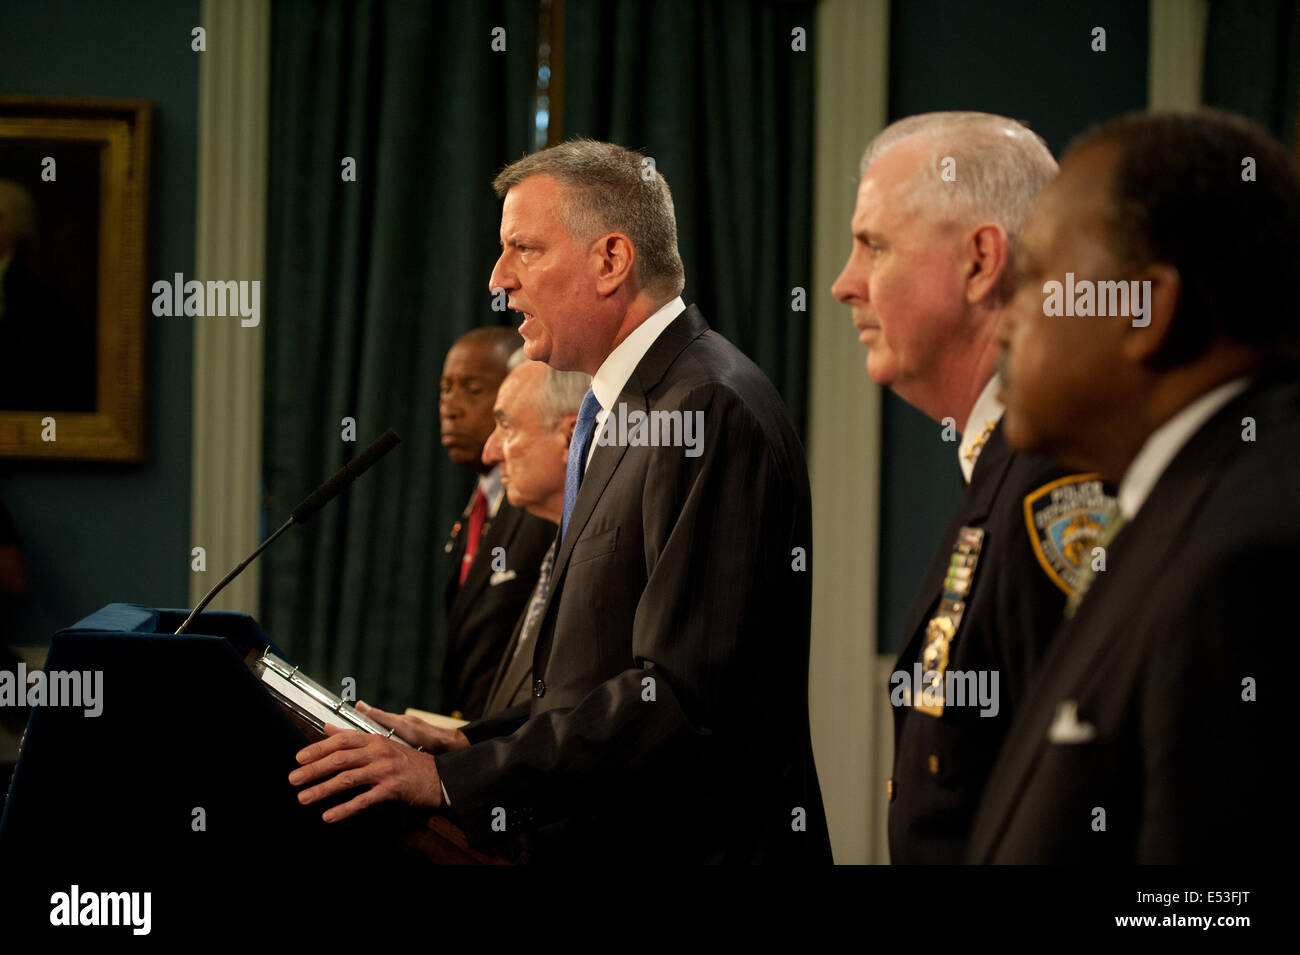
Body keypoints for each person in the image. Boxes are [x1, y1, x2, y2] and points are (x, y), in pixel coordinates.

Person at [292, 139, 832, 863]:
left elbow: (679, 699)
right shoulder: (629, 405)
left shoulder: (703, 407)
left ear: (611, 261)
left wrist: (451, 779)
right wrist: (469, 739)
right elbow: (605, 671)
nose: (499, 279)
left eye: (524, 249)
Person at [968, 109, 1296, 863]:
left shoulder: (1247, 560)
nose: (1005, 321)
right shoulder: (1198, 499)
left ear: (1145, 310)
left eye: (1039, 278)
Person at [831, 112, 1115, 863]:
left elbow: (1090, 803)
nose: (842, 284)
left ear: (981, 260)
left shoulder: (1057, 484)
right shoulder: (1003, 465)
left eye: (874, 245)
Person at [438, 327, 554, 719]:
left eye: (472, 389)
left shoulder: (542, 506)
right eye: (445, 389)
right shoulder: (479, 502)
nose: (450, 407)